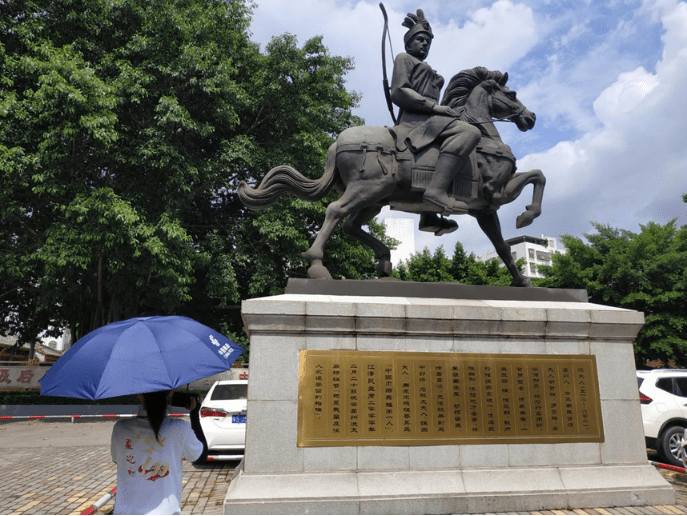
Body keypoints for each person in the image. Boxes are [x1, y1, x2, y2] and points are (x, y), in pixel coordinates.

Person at [390, 9, 481, 235]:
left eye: (428, 41)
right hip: (417, 122)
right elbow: (399, 91)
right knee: (470, 133)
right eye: (420, 39)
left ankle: (428, 214)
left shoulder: (428, 69)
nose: (424, 44)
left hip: (432, 120)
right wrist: (435, 107)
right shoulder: (404, 59)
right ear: (408, 43)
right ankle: (437, 191)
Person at [110, 390, 204, 515]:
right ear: (170, 393)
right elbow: (200, 456)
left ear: (139, 395)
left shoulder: (120, 428)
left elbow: (118, 460)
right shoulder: (179, 428)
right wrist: (194, 413)